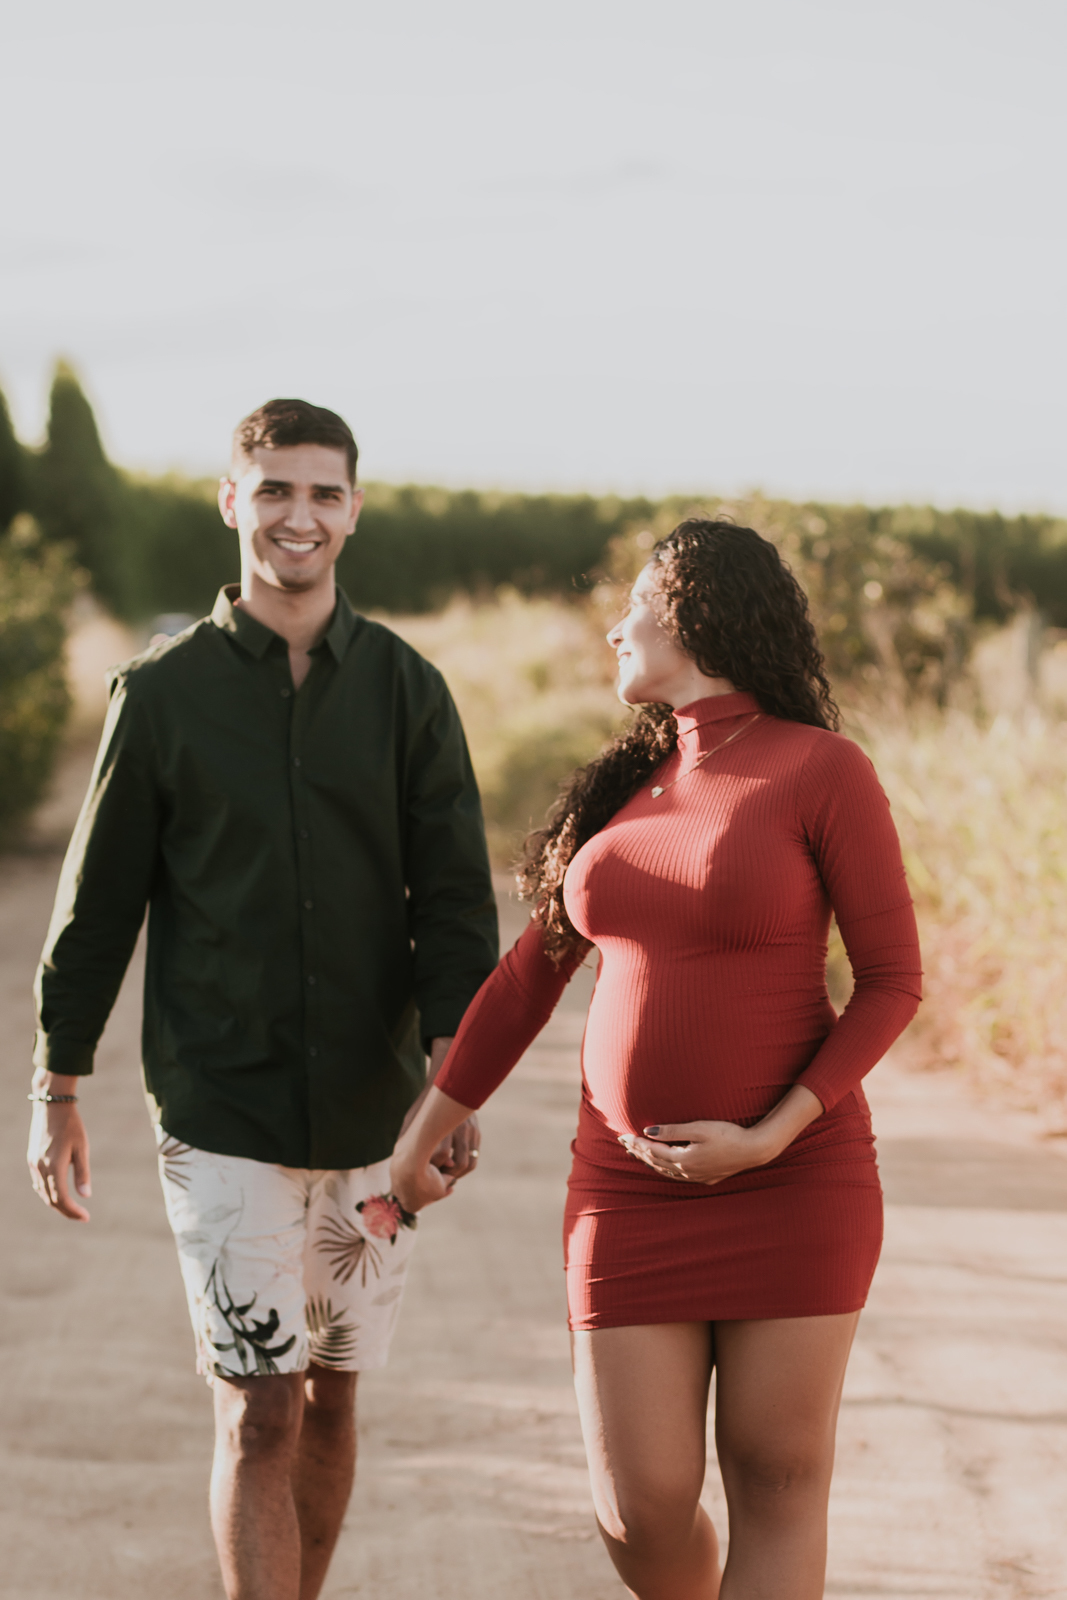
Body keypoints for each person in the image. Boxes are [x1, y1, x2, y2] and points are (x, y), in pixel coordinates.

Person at [392, 519, 922, 1600]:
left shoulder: (820, 769)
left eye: (632, 603)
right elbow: (524, 982)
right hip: (625, 1195)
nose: (614, 627)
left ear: (691, 610)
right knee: (638, 1510)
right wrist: (420, 1133)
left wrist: (770, 1134)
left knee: (777, 1475)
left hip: (794, 1180)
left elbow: (890, 981)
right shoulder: (621, 790)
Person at [26, 398, 498, 1600]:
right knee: (259, 1407)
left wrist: (454, 1083)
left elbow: (453, 902)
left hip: (376, 1109)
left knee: (332, 1393)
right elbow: (97, 906)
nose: (300, 514)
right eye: (275, 488)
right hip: (220, 1102)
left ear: (353, 509)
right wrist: (57, 1083)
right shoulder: (161, 694)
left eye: (323, 492)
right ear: (231, 501)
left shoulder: (408, 691)